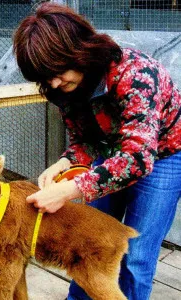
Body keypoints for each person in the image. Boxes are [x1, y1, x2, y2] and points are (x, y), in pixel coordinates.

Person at [13, 2, 181, 300]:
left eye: (56, 70)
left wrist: (67, 192)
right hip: (113, 151)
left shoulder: (135, 75)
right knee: (87, 241)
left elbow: (138, 158)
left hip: (165, 153)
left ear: (78, 51)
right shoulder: (62, 87)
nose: (52, 82)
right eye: (44, 76)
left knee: (136, 254)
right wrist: (64, 162)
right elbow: (86, 141)